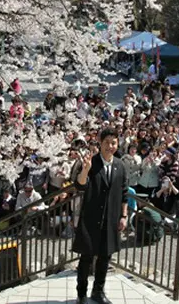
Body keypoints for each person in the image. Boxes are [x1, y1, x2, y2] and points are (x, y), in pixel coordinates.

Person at [72, 128, 128, 304]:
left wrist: (123, 216)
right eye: (106, 143)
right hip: (90, 219)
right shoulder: (92, 162)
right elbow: (80, 186)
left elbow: (124, 193)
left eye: (113, 143)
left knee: (105, 257)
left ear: (117, 144)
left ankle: (98, 291)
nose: (110, 146)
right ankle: (81, 294)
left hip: (111, 220)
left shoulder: (120, 165)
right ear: (100, 142)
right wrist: (85, 170)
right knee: (86, 259)